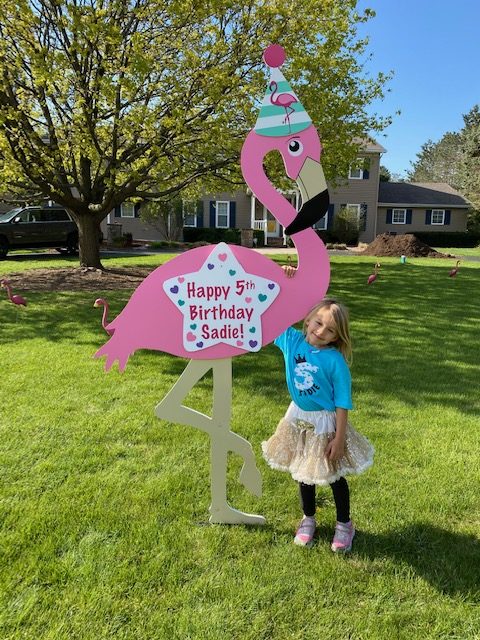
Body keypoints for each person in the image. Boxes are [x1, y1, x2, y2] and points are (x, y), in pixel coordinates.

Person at [262, 267, 374, 551]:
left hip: (326, 424)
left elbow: (342, 401)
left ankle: (344, 524)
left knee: (333, 475)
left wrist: (338, 437)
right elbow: (272, 310)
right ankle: (308, 519)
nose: (321, 331)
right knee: (303, 471)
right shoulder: (292, 340)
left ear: (338, 336)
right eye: (318, 322)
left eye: (330, 330)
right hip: (297, 418)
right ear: (308, 318)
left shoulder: (335, 361)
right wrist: (286, 282)